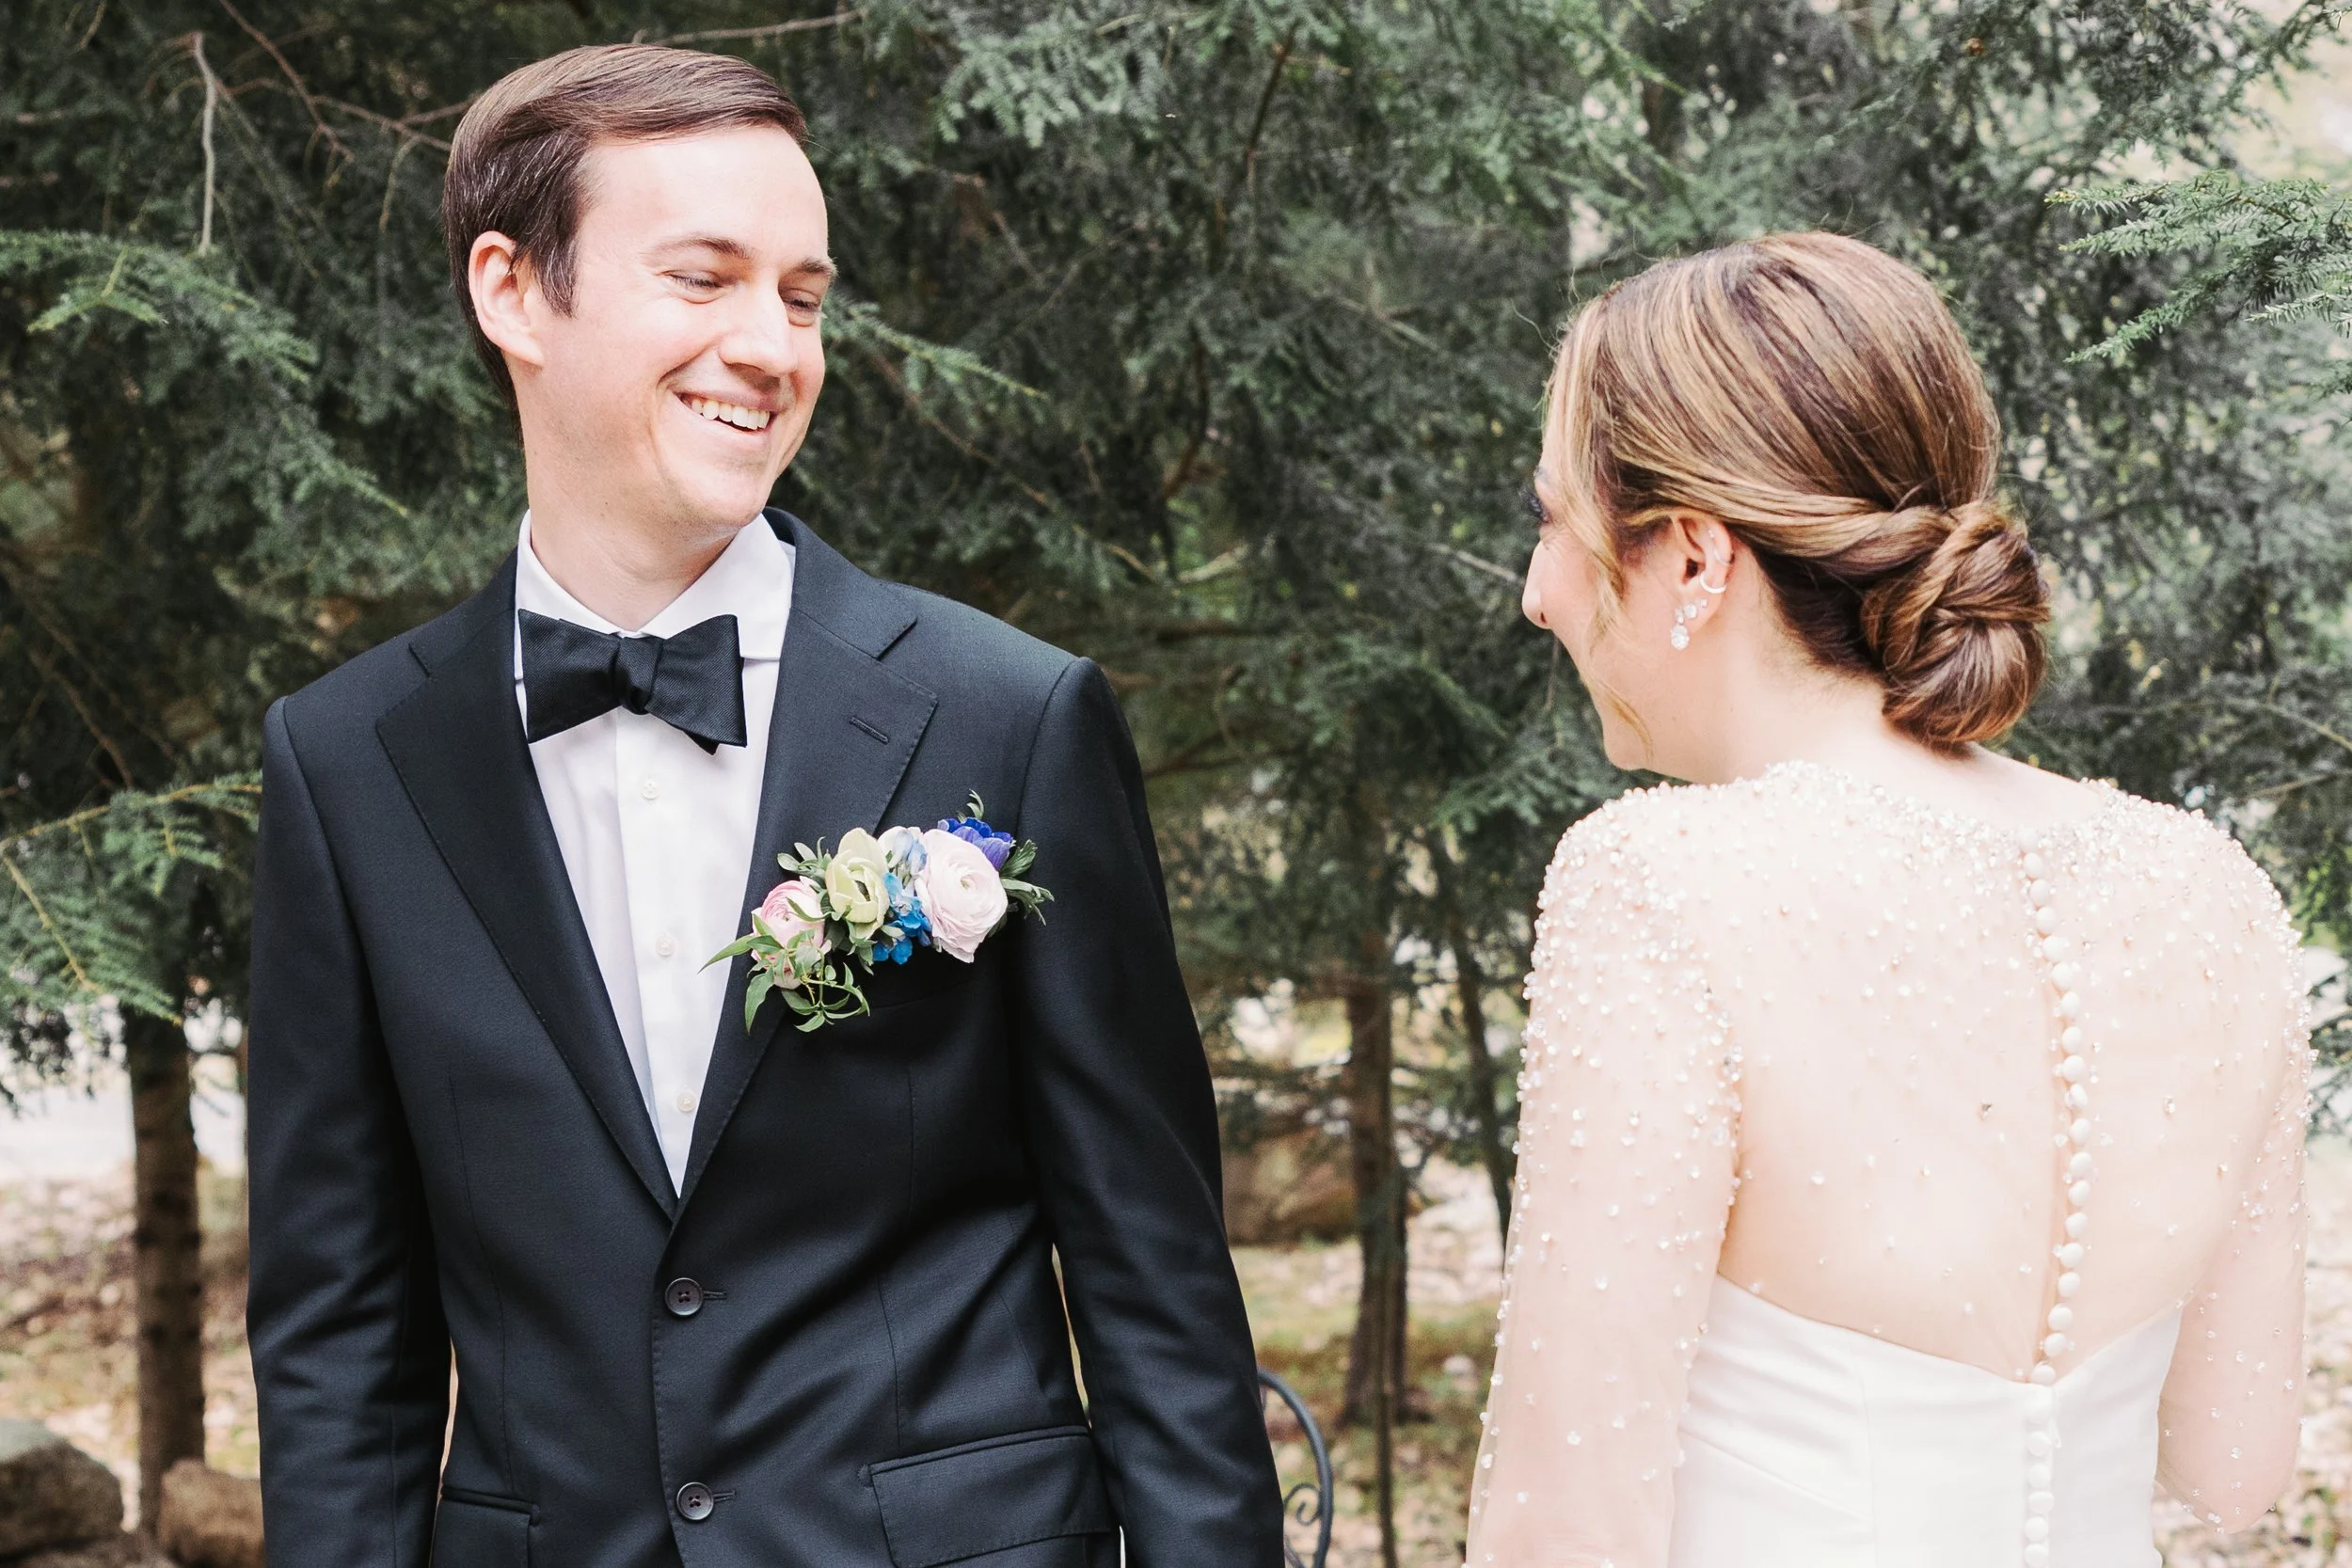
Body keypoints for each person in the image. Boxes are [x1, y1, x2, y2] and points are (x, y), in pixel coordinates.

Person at [245, 44, 1280, 1568]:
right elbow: (341, 1337)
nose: (771, 347)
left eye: (801, 297)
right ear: (514, 292)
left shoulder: (1009, 712)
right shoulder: (346, 763)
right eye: (705, 279)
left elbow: (1158, 1278)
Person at [1467, 232, 2311, 1565]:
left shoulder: (1662, 885)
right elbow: (2236, 1460)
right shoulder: (2210, 884)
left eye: (1556, 523)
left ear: (1694, 555)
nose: (1537, 592)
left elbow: (1562, 1527)